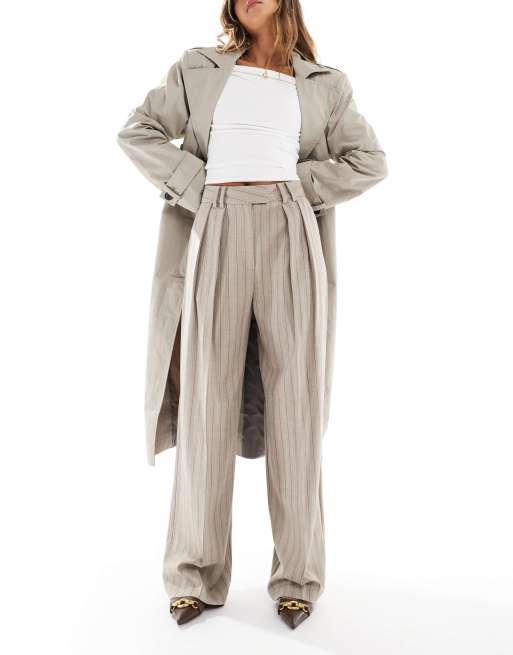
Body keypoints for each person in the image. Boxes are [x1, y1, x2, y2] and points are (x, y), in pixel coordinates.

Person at [117, 0, 387, 630]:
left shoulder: (326, 84)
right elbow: (138, 130)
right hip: (214, 223)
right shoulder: (199, 67)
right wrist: (198, 185)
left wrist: (299, 188)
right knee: (205, 400)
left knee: (296, 404)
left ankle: (298, 579)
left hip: (291, 229)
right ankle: (193, 576)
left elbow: (369, 160)